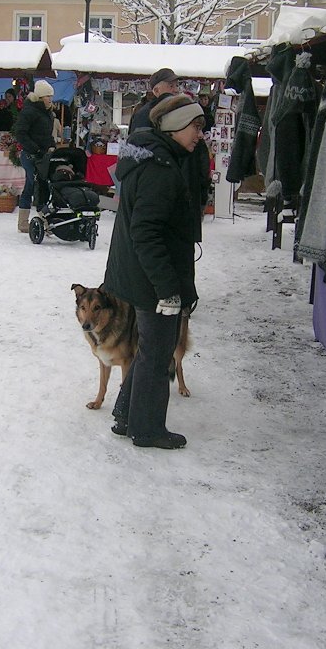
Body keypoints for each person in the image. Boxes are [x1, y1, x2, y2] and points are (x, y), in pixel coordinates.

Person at [103, 94, 205, 449]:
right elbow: (146, 234)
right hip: (151, 278)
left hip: (139, 273)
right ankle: (146, 429)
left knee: (150, 349)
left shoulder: (154, 157)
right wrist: (167, 289)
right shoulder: (159, 169)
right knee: (158, 352)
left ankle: (126, 415)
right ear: (175, 127)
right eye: (195, 127)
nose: (199, 135)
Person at [12, 79, 55, 233]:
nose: (50, 99)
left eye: (51, 96)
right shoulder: (29, 111)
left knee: (35, 186)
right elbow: (20, 133)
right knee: (36, 185)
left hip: (43, 155)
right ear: (40, 97)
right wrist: (35, 149)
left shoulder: (48, 113)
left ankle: (33, 222)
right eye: (47, 96)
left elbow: (47, 134)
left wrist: (52, 146)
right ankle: (39, 221)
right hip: (30, 155)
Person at [129, 68, 180, 132]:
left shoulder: (178, 110)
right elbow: (140, 137)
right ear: (156, 91)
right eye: (171, 86)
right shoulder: (146, 114)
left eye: (177, 85)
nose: (176, 90)